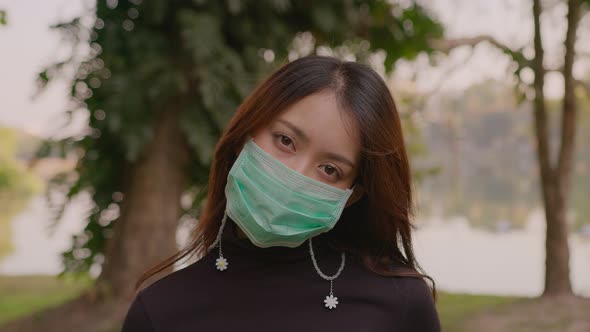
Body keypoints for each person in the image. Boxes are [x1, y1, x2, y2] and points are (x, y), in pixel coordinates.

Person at [121, 55, 440, 331]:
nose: (295, 175)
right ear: (245, 134)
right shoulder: (159, 311)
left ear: (351, 196)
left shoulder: (401, 302)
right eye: (285, 141)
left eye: (330, 169)